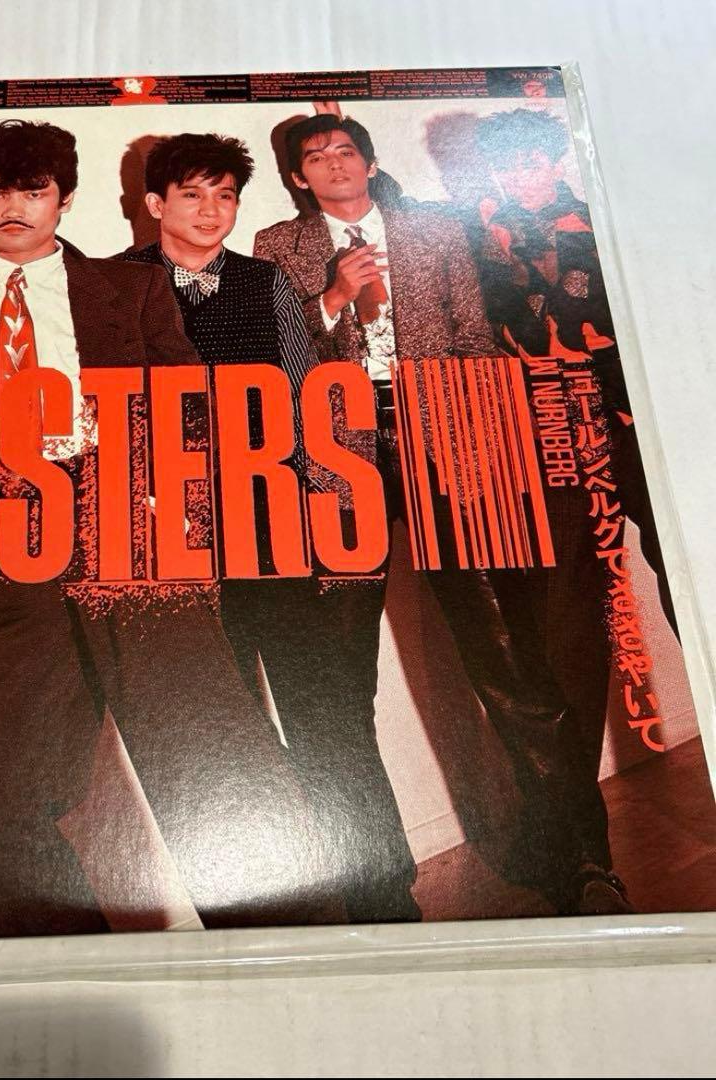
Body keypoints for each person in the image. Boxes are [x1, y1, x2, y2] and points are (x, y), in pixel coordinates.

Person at [0, 119, 327, 941]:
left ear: (64, 200)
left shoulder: (130, 289)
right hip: (9, 552)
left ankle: (299, 958)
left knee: (216, 771)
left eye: (33, 190)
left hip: (131, 539)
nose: (13, 207)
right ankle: (62, 980)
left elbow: (191, 414)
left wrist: (171, 513)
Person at [254, 112, 629, 916]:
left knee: (507, 654)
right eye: (316, 158)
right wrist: (332, 297)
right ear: (297, 178)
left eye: (346, 151)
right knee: (339, 668)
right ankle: (380, 891)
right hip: (340, 454)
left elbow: (475, 342)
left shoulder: (431, 228)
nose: (334, 165)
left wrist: (474, 444)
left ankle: (581, 859)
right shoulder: (278, 246)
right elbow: (279, 358)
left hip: (448, 440)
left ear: (369, 162)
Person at [118, 132, 420, 921]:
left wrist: (325, 510)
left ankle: (387, 898)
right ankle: (286, 908)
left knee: (330, 716)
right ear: (154, 204)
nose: (210, 210)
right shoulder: (117, 285)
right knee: (222, 733)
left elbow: (302, 390)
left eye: (224, 196)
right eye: (192, 194)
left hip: (278, 525)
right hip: (181, 542)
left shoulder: (264, 281)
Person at [464, 107, 680, 910]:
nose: (525, 172)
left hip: (638, 427)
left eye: (535, 156)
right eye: (509, 160)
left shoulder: (606, 220)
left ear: (557, 157)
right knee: (568, 636)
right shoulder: (476, 243)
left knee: (695, 591)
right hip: (548, 446)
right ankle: (586, 855)